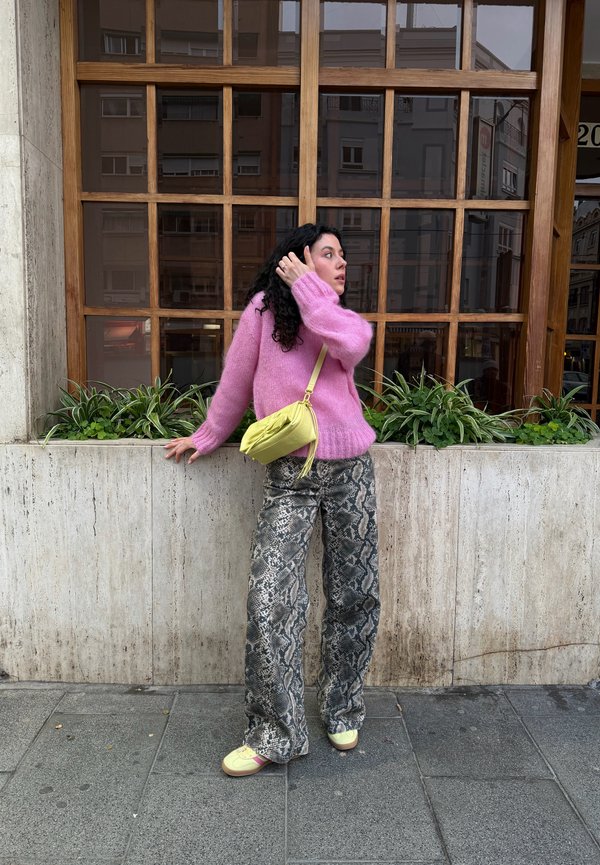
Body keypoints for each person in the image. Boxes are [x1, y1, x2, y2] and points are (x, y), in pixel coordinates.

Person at [164, 223, 380, 777]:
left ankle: (342, 705)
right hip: (290, 471)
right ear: (298, 256)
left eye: (343, 257)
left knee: (355, 593)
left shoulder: (340, 318)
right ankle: (275, 732)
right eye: (328, 253)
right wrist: (209, 434)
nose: (342, 264)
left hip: (350, 469)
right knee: (270, 599)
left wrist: (313, 291)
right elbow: (236, 379)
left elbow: (351, 346)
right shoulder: (263, 311)